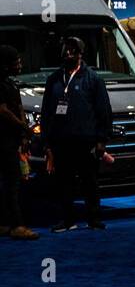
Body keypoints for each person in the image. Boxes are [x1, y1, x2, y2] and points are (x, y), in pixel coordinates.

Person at [40, 36, 111, 232]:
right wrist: (46, 142)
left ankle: (94, 219)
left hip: (86, 141)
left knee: (90, 182)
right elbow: (46, 112)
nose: (68, 53)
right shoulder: (54, 80)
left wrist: (101, 140)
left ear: (81, 53)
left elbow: (103, 110)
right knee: (64, 183)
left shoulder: (93, 79)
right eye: (65, 49)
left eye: (72, 50)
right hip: (61, 142)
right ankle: (68, 220)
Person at [0, 44, 38, 240]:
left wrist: (23, 134)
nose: (19, 64)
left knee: (9, 183)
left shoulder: (11, 84)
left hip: (12, 140)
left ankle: (5, 222)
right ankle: (17, 225)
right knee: (12, 183)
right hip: (4, 142)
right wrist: (22, 127)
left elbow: (18, 107)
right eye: (16, 61)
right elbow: (3, 110)